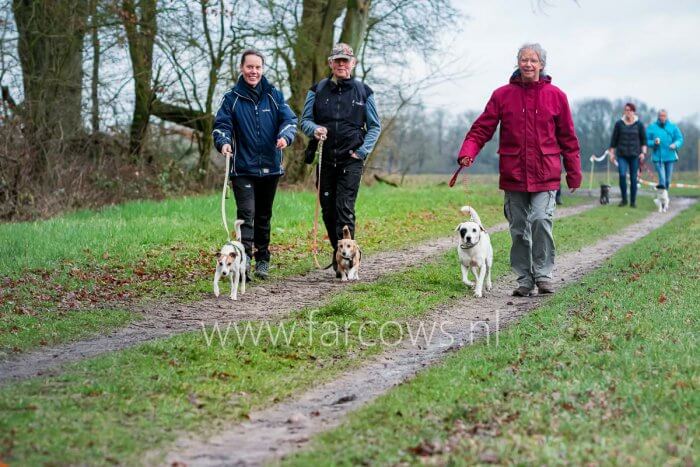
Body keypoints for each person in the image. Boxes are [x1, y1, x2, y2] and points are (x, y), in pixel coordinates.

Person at [456, 43, 582, 297]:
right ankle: (525, 279)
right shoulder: (502, 95)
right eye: (523, 60)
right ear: (518, 63)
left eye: (533, 60)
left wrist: (573, 171)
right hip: (513, 173)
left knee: (541, 220)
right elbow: (482, 128)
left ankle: (543, 274)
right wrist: (468, 151)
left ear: (542, 65)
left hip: (546, 172)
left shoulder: (556, 96)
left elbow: (568, 137)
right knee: (518, 228)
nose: (528, 64)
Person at [213, 49, 298, 280]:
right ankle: (245, 260)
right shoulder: (231, 98)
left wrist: (285, 137)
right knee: (246, 214)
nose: (254, 71)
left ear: (263, 69)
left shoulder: (274, 95)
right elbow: (221, 126)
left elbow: (290, 121)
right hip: (242, 168)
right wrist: (223, 143)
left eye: (258, 67)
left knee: (263, 216)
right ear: (242, 68)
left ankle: (263, 260)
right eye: (249, 67)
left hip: (271, 167)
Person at [301, 43, 382, 276]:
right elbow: (305, 120)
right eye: (337, 60)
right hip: (325, 159)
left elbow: (374, 127)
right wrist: (315, 129)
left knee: (344, 209)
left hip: (351, 159)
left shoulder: (364, 91)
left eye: (345, 61)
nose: (341, 64)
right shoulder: (317, 90)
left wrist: (361, 151)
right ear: (330, 63)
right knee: (328, 210)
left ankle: (349, 263)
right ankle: (339, 253)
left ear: (353, 64)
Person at [609, 102, 647, 208]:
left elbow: (644, 140)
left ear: (633, 111)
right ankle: (624, 199)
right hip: (622, 154)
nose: (628, 112)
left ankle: (633, 201)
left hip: (635, 155)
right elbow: (613, 140)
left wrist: (643, 153)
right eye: (626, 110)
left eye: (630, 110)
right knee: (622, 175)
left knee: (634, 178)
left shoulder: (639, 124)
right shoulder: (619, 124)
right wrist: (612, 154)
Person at [646, 109, 684, 191]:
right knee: (662, 179)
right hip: (658, 157)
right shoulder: (652, 127)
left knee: (667, 181)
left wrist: (675, 144)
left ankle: (664, 198)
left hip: (670, 157)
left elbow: (680, 139)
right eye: (661, 116)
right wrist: (654, 142)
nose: (662, 117)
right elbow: (645, 140)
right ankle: (663, 200)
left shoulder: (673, 127)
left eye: (664, 116)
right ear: (658, 117)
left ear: (666, 117)